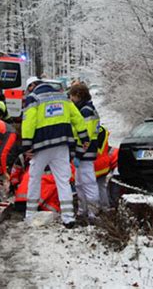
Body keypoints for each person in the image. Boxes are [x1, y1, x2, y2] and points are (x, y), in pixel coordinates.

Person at [22, 78, 90, 229]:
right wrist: (84, 137)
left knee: (34, 179)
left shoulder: (34, 98)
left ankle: (30, 215)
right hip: (62, 145)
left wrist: (27, 144)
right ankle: (68, 218)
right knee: (63, 181)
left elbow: (29, 121)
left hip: (41, 146)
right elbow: (77, 118)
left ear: (33, 86)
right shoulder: (63, 96)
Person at [68, 83, 100, 223]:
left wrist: (79, 154)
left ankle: (93, 212)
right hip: (84, 152)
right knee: (80, 183)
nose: (71, 99)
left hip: (85, 152)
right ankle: (83, 211)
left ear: (78, 95)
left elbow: (84, 136)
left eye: (72, 96)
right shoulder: (86, 109)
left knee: (88, 183)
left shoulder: (86, 111)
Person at [94, 125, 111, 209]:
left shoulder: (88, 128)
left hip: (93, 163)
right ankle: (105, 206)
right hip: (104, 163)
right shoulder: (103, 129)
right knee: (101, 186)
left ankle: (94, 208)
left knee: (89, 187)